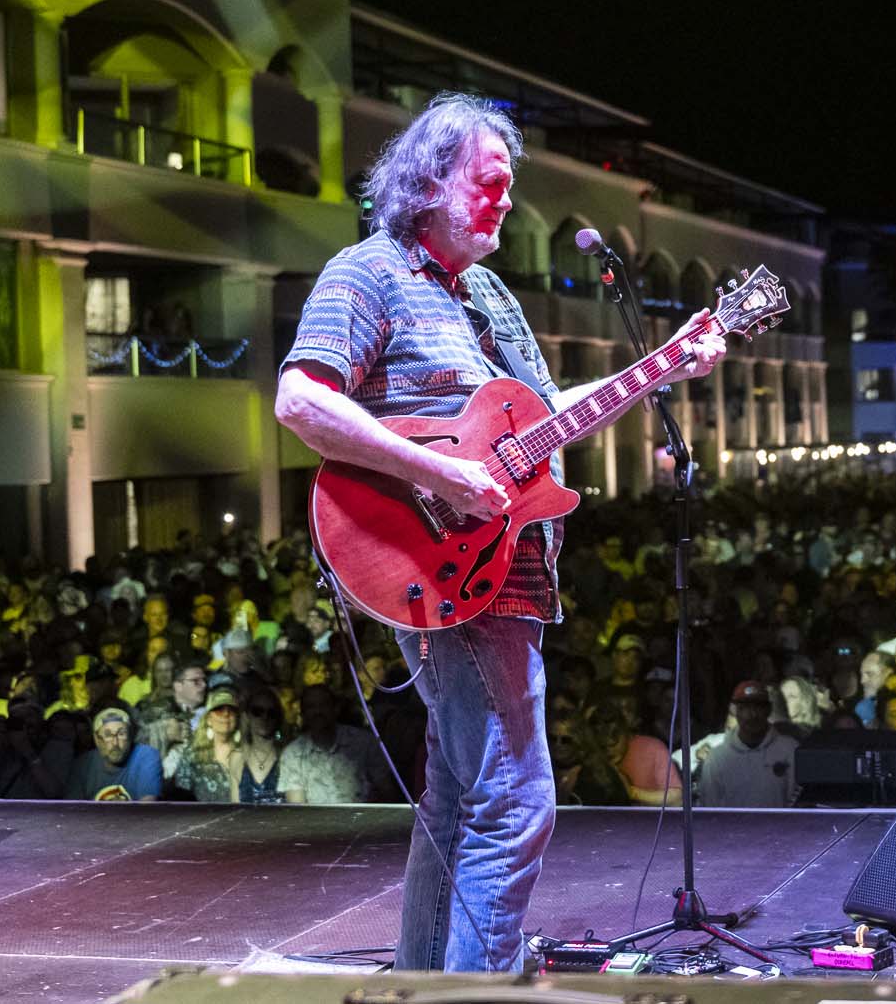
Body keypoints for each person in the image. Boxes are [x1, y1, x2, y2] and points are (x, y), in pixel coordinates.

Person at [271, 91, 727, 973]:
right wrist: (440, 473)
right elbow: (301, 399)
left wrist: (669, 359)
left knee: (456, 798)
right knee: (516, 802)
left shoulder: (489, 297)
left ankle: (423, 979)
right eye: (491, 181)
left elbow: (544, 419)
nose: (508, 199)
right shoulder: (367, 274)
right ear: (432, 179)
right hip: (434, 563)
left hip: (504, 568)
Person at [697, 681, 798, 807]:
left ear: (768, 709)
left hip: (780, 826)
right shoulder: (717, 758)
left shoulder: (790, 750)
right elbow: (709, 809)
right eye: (745, 708)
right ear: (735, 711)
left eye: (758, 707)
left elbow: (798, 804)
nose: (752, 715)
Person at [67, 707, 163, 801]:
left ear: (130, 736)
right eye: (108, 735)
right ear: (97, 739)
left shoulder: (146, 756)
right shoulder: (82, 765)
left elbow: (147, 808)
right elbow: (72, 811)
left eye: (121, 734)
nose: (115, 743)